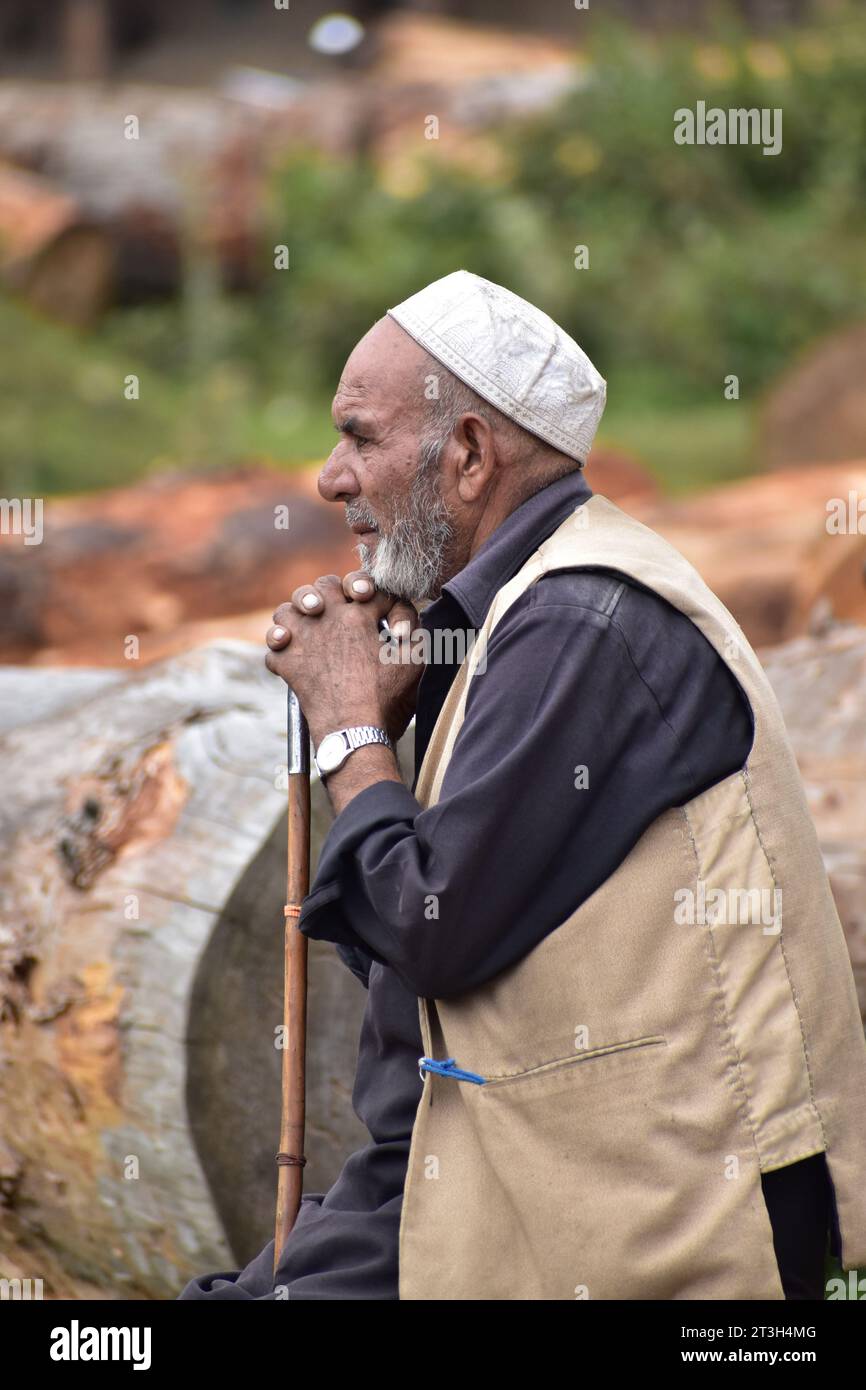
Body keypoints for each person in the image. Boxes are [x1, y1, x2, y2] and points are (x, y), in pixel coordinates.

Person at [178, 270, 865, 1300]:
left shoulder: (581, 621)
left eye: (359, 436)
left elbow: (430, 925)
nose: (328, 478)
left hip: (673, 1234)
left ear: (464, 455)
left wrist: (350, 730)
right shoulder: (509, 618)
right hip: (512, 1179)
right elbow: (427, 1015)